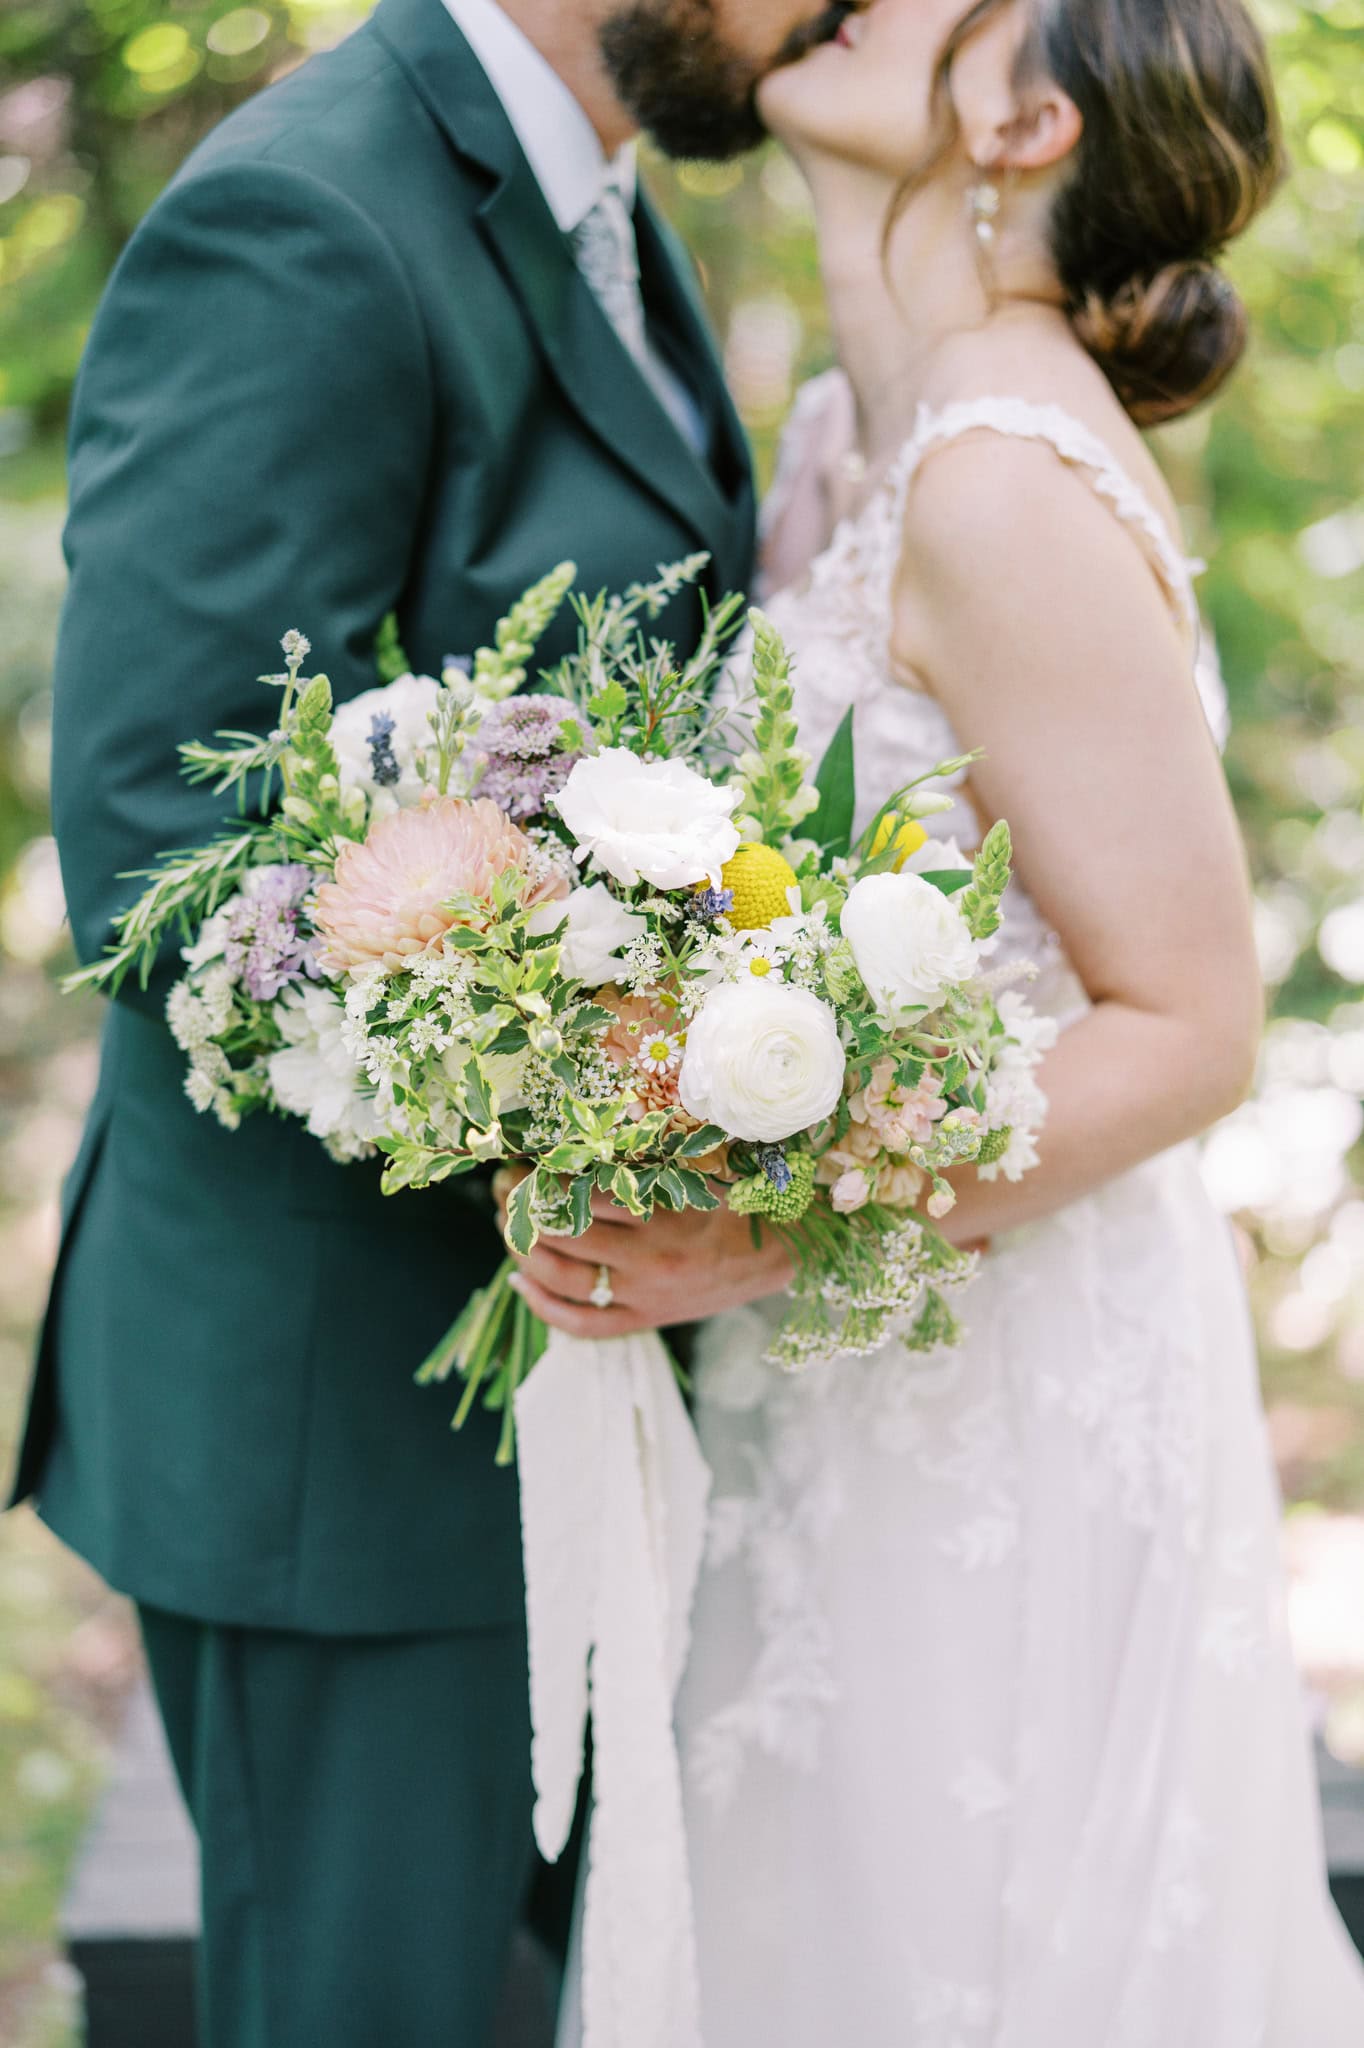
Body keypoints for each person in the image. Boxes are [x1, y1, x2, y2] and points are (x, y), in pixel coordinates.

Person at [529, 0, 1364, 2040]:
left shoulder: (999, 479)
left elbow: (1190, 1024)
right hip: (851, 1354)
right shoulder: (860, 428)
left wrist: (773, 1229)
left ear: (1022, 117)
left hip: (1001, 1364)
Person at [5, 1, 836, 2041]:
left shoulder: (605, 204)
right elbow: (160, 841)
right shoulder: (306, 217)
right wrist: (578, 1087)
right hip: (346, 1423)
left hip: (567, 1383)